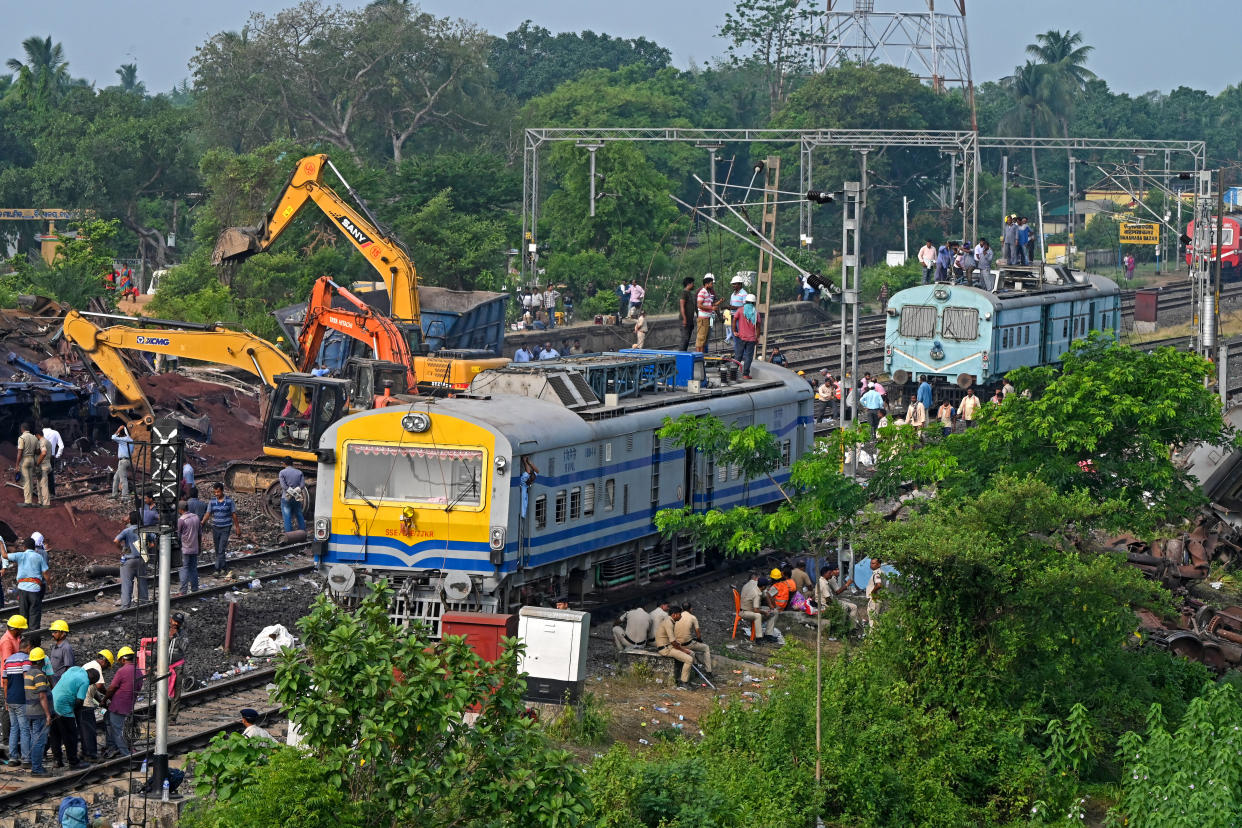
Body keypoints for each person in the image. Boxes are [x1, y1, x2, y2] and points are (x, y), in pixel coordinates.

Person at [50, 664, 98, 769]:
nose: (90, 684)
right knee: (71, 735)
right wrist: (73, 713)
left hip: (52, 699)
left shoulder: (74, 669)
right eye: (92, 683)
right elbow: (80, 701)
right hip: (63, 705)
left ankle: (57, 761)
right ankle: (73, 762)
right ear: (92, 679)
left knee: (55, 734)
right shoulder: (85, 681)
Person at [76, 650, 113, 763]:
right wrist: (108, 695)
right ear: (104, 661)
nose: (106, 669)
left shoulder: (89, 665)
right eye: (107, 666)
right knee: (90, 729)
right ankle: (92, 755)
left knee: (83, 729)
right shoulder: (96, 667)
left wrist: (101, 701)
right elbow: (99, 686)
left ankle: (84, 752)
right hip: (85, 702)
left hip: (79, 700)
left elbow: (93, 689)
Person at [103, 647, 140, 758]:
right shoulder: (138, 671)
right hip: (129, 704)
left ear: (123, 660)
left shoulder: (122, 671)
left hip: (118, 705)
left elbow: (111, 688)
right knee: (108, 719)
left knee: (117, 730)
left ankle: (125, 754)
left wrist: (104, 699)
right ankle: (112, 747)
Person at [22, 647, 53, 776]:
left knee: (34, 738)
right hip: (39, 713)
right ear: (41, 661)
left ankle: (35, 765)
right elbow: (42, 696)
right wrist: (47, 715)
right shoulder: (39, 675)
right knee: (39, 741)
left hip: (30, 711)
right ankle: (37, 769)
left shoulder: (28, 673)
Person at [6, 541, 49, 631]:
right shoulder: (39, 557)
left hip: (22, 589)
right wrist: (49, 584)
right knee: (34, 615)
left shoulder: (20, 555)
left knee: (23, 615)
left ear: (24, 547)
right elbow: (45, 573)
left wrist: (2, 545)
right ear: (34, 547)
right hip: (35, 589)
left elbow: (5, 555)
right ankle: (33, 640)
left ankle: (24, 639)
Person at [0, 615, 25, 759]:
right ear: (15, 629)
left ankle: (12, 738)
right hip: (8, 680)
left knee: (11, 708)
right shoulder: (6, 641)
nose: (22, 631)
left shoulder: (15, 638)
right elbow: (8, 664)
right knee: (7, 707)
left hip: (14, 679)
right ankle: (6, 739)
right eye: (21, 629)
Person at [654, 606, 697, 689]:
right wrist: (683, 650)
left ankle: (685, 676)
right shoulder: (668, 623)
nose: (680, 616)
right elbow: (673, 642)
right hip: (665, 649)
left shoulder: (670, 621)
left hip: (668, 646)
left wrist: (683, 649)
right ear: (674, 615)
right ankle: (684, 682)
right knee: (689, 659)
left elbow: (673, 641)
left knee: (692, 653)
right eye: (679, 614)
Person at [114, 511, 148, 608]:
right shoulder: (144, 530)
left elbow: (116, 541)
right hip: (141, 559)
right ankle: (144, 604)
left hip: (129, 560)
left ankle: (125, 607)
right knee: (142, 583)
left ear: (130, 520)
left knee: (127, 584)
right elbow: (153, 541)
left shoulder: (127, 531)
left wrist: (122, 549)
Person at [206, 483, 241, 577]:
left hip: (226, 527)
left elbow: (234, 515)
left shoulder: (229, 501)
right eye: (215, 492)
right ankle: (223, 567)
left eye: (218, 492)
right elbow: (208, 513)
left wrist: (237, 527)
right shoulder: (212, 501)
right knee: (218, 549)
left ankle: (217, 569)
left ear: (222, 491)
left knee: (221, 548)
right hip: (215, 527)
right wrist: (201, 523)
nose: (216, 494)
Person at [2, 643, 28, 766]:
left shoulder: (8, 661)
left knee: (14, 729)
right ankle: (26, 758)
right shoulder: (25, 660)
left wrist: (6, 699)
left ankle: (13, 758)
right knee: (24, 729)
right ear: (29, 647)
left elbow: (5, 682)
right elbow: (27, 679)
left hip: (11, 699)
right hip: (21, 699)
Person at [673, 601, 712, 677]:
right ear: (691, 609)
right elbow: (698, 634)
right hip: (687, 644)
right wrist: (699, 639)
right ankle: (709, 671)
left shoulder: (676, 616)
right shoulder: (693, 617)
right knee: (706, 648)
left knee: (692, 650)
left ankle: (696, 671)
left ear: (682, 608)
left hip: (677, 644)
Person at [177, 501, 201, 594]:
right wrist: (199, 546)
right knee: (193, 568)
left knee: (184, 568)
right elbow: (199, 534)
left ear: (180, 509)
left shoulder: (181, 520)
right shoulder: (196, 517)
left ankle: (183, 590)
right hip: (194, 547)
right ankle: (195, 589)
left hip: (185, 548)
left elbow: (178, 535)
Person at [738, 572, 772, 640]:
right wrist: (765, 612)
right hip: (745, 612)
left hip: (746, 608)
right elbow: (756, 610)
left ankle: (768, 635)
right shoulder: (757, 593)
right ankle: (759, 638)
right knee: (758, 615)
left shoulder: (748, 584)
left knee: (770, 611)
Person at [734, 294, 760, 378]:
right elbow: (758, 326)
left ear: (745, 301)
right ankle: (745, 374)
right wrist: (757, 337)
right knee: (748, 357)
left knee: (738, 355)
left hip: (741, 337)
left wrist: (735, 331)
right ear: (753, 303)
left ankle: (733, 372)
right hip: (751, 339)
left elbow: (734, 319)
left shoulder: (740, 310)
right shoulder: (755, 313)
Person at [279, 457, 307, 533]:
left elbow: (284, 486)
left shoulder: (282, 472)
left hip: (286, 498)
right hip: (296, 497)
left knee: (287, 517)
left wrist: (290, 492)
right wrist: (295, 492)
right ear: (292, 463)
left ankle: (290, 534)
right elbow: (302, 485)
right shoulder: (299, 472)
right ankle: (303, 532)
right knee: (299, 514)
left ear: (284, 463)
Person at [16, 422, 40, 508]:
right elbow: (38, 451)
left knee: (26, 481)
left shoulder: (21, 438)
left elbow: (19, 452)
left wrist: (17, 465)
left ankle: (28, 502)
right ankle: (30, 500)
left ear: (22, 429)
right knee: (30, 480)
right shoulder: (34, 438)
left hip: (25, 460)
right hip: (32, 460)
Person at [695, 274, 720, 353]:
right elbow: (699, 305)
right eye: (711, 283)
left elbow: (710, 304)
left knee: (705, 338)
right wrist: (711, 308)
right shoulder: (702, 292)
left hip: (709, 318)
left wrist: (717, 304)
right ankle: (699, 356)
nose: (712, 285)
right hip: (703, 318)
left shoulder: (708, 293)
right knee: (701, 339)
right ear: (707, 284)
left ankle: (703, 355)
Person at [110, 425, 134, 500]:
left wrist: (118, 429)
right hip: (127, 461)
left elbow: (113, 437)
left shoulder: (124, 439)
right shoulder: (130, 440)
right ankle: (114, 494)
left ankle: (125, 496)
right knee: (116, 477)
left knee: (123, 478)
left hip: (123, 461)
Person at [40, 425, 63, 498]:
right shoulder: (55, 433)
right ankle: (52, 494)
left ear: (42, 425)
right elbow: (61, 446)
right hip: (50, 457)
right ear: (50, 424)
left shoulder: (39, 433)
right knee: (50, 476)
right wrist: (57, 455)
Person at [865, 558, 887, 628]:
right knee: (878, 621)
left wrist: (872, 592)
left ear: (879, 564)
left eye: (873, 563)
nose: (871, 565)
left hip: (875, 599)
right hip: (880, 598)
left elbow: (878, 585)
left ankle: (872, 638)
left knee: (873, 621)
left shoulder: (877, 574)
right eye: (871, 563)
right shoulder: (882, 572)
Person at [726, 276, 746, 346]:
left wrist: (735, 308)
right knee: (735, 336)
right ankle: (738, 352)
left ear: (740, 284)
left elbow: (745, 306)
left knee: (741, 336)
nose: (733, 285)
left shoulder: (744, 293)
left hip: (740, 318)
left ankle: (742, 353)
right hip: (733, 317)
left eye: (735, 284)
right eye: (733, 284)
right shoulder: (732, 294)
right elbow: (732, 305)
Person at [678, 276, 696, 351]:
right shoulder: (684, 293)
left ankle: (684, 355)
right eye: (693, 283)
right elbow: (682, 306)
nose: (694, 285)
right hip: (685, 320)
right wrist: (684, 319)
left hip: (690, 320)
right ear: (689, 284)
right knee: (684, 339)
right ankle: (680, 356)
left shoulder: (690, 294)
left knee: (687, 339)